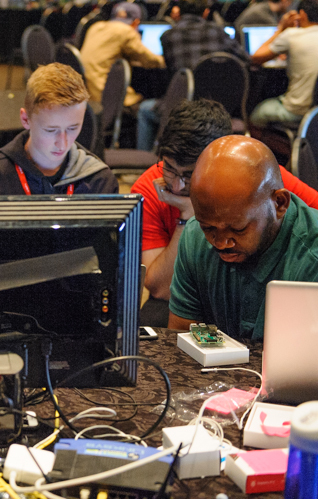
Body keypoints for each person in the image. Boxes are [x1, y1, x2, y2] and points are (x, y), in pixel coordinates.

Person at [132, 100, 318, 327]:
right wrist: (188, 217)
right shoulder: (158, 200)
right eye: (169, 169)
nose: (178, 186)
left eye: (237, 228)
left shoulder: (260, 178)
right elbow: (162, 292)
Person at [168, 135, 318, 338]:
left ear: (279, 203)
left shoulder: (312, 255)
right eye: (208, 228)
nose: (221, 242)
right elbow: (181, 341)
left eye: (238, 229)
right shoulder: (194, 237)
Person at [0, 63, 117, 196]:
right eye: (51, 130)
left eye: (73, 128)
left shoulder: (100, 181)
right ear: (25, 119)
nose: (62, 143)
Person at [136, 0, 250, 150]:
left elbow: (173, 76)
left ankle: (147, 164)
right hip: (222, 109)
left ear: (177, 12)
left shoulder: (168, 36)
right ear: (205, 12)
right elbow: (246, 60)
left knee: (145, 109)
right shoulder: (219, 32)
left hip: (184, 109)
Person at [80, 2, 165, 107]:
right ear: (136, 22)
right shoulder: (126, 31)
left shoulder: (95, 27)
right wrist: (165, 59)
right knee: (145, 106)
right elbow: (150, 60)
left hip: (87, 95)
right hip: (108, 96)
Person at [250, 0, 318, 127]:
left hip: (298, 110)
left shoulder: (292, 35)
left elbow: (256, 57)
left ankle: (274, 146)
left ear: (301, 14)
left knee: (257, 113)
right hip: (315, 111)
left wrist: (281, 28)